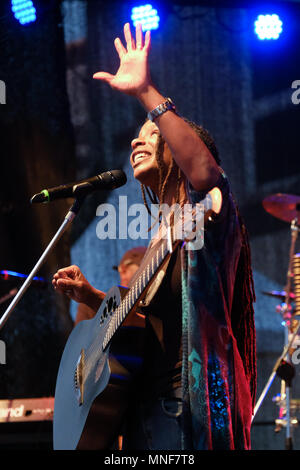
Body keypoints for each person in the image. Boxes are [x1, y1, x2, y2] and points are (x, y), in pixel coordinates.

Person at [52, 23, 256, 450]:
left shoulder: (206, 213)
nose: (136, 139)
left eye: (152, 135)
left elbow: (204, 173)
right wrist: (92, 297)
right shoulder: (159, 241)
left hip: (188, 402)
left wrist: (146, 92)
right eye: (138, 134)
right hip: (148, 406)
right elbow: (144, 324)